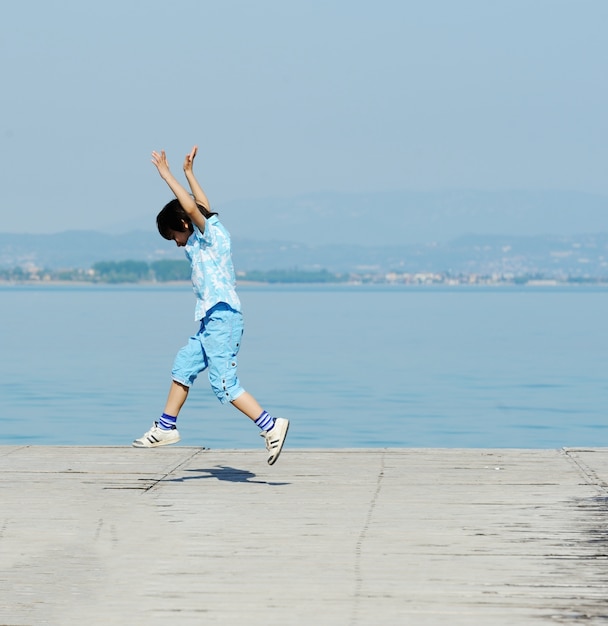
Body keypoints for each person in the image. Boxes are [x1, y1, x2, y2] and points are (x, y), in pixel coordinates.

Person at [132, 145, 289, 465]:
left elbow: (192, 207)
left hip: (223, 318)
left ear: (185, 224)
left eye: (173, 234)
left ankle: (271, 425)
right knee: (184, 365)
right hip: (210, 321)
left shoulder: (210, 235)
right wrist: (190, 173)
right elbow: (200, 205)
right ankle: (166, 426)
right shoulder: (205, 234)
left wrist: (168, 175)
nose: (175, 242)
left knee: (223, 384)